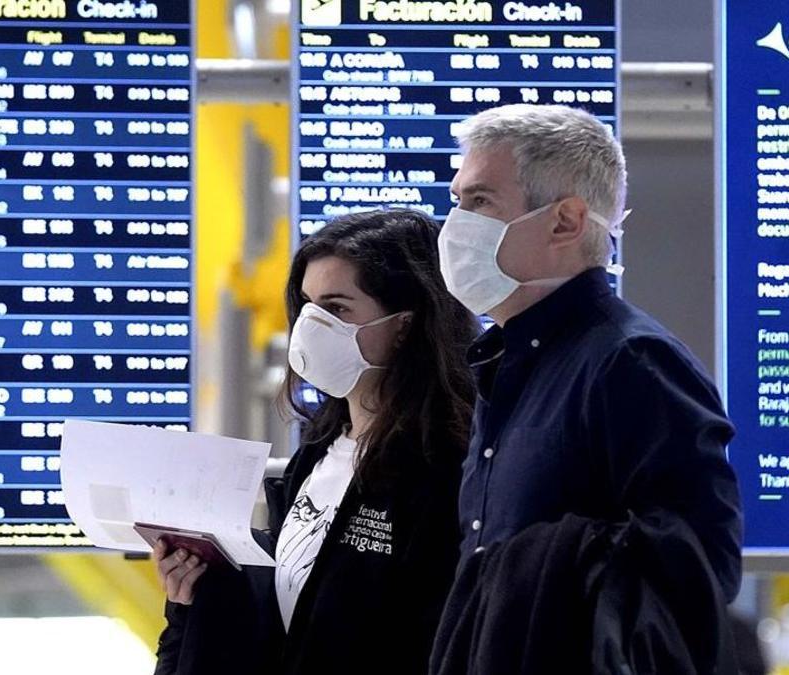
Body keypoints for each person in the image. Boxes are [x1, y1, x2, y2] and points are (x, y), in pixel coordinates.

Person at [430, 104, 743, 674]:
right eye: (458, 202)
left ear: (565, 221)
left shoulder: (632, 363)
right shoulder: (509, 365)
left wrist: (546, 568)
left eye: (480, 202)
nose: (455, 226)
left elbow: (698, 568)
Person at [153, 209, 479, 675]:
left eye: (337, 308)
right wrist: (193, 595)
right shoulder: (320, 445)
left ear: (405, 323)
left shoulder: (448, 464)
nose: (310, 326)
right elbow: (289, 614)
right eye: (307, 305)